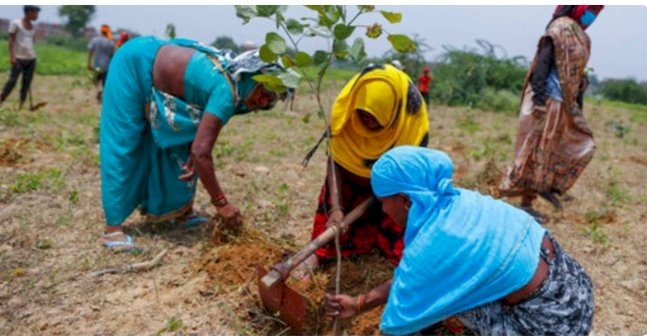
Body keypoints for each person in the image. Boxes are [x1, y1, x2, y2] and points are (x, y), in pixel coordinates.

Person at [324, 146, 594, 336]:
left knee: (440, 308)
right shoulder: (459, 201)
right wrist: (360, 303)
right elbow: (417, 278)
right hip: (576, 292)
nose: (383, 211)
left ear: (406, 201)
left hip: (549, 325)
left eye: (384, 202)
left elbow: (396, 325)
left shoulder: (432, 245)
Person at [99, 36, 289, 251]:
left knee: (183, 146)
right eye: (265, 93)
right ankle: (112, 229)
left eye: (271, 101)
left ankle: (178, 212)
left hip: (166, 77)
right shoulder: (227, 91)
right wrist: (221, 203)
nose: (263, 102)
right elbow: (202, 153)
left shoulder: (240, 90)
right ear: (253, 77)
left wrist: (197, 150)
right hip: (135, 63)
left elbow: (200, 143)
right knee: (124, 142)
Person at [294, 63, 429, 278]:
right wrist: (336, 207)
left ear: (392, 112)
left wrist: (383, 195)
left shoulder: (410, 122)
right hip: (349, 183)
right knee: (329, 224)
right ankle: (316, 255)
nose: (367, 122)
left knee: (401, 229)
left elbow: (409, 175)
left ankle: (393, 257)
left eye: (375, 117)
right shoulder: (346, 112)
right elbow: (335, 158)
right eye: (363, 115)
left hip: (392, 189)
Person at [499, 5, 604, 215]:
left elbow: (576, 74)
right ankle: (526, 203)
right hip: (546, 100)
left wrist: (578, 96)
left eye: (595, 11)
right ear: (578, 8)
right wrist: (538, 99)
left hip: (564, 104)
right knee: (534, 152)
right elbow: (542, 64)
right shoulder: (558, 30)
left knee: (577, 146)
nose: (591, 15)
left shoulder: (583, 38)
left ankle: (547, 187)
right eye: (589, 9)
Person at [0, 5, 40, 109]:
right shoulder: (16, 24)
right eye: (35, 12)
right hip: (18, 58)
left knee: (26, 83)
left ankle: (21, 105)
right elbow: (11, 40)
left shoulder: (34, 27)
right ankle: (1, 100)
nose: (37, 15)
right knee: (12, 81)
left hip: (31, 58)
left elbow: (32, 41)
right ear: (29, 12)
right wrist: (12, 56)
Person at [87, 24, 116, 102]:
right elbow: (113, 55)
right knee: (105, 82)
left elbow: (90, 51)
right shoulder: (110, 42)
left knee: (95, 80)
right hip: (107, 66)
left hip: (96, 65)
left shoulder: (95, 40)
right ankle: (103, 93)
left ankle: (98, 90)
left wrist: (89, 63)